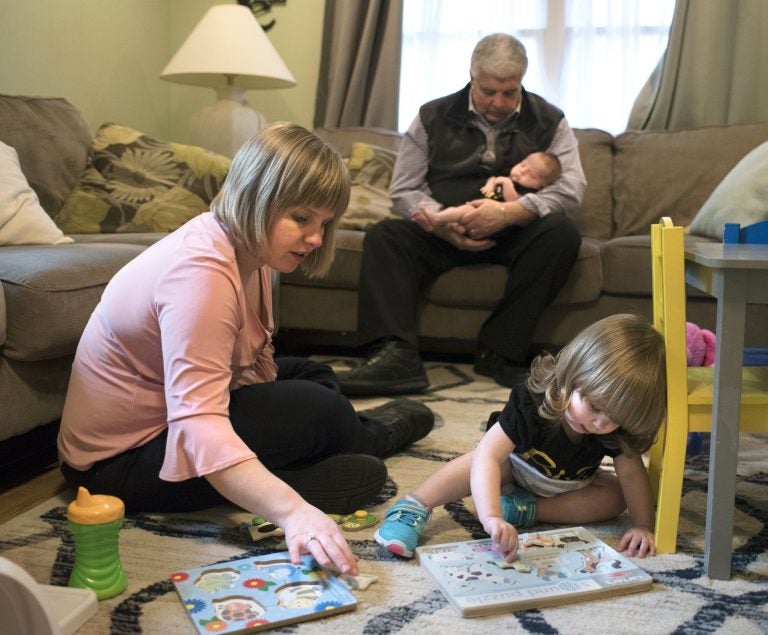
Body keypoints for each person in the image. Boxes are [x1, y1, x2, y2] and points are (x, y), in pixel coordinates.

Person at [57, 123, 435, 576]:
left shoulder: (247, 249)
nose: (316, 238)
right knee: (317, 408)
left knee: (311, 377)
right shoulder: (200, 277)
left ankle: (336, 436)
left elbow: (254, 356)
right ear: (257, 195)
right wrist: (295, 512)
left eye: (324, 223)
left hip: (163, 421)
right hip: (117, 466)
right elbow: (198, 426)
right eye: (301, 218)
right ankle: (364, 437)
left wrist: (279, 412)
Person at [336, 33, 586, 396]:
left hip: (515, 230)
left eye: (509, 92)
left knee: (562, 234)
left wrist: (509, 213)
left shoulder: (550, 120)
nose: (498, 102)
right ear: (472, 76)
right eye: (488, 91)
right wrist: (443, 223)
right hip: (443, 228)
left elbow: (571, 189)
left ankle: (499, 352)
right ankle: (395, 355)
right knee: (384, 236)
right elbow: (404, 189)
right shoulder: (431, 115)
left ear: (522, 82)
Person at [373, 314, 666, 561]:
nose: (601, 423)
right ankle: (414, 505)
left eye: (615, 418)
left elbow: (631, 476)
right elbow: (489, 455)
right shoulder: (532, 402)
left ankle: (524, 509)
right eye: (595, 407)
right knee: (478, 462)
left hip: (566, 485)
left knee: (616, 497)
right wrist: (491, 518)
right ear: (572, 375)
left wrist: (642, 524)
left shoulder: (612, 427)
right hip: (513, 466)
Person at [411, 151, 562, 232]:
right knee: (456, 211)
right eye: (523, 165)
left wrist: (507, 183)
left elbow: (513, 202)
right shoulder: (507, 177)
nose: (522, 172)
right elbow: (493, 179)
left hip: (494, 222)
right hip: (477, 207)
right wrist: (490, 184)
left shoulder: (527, 192)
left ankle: (436, 219)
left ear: (542, 186)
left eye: (531, 174)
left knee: (463, 211)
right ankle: (436, 222)